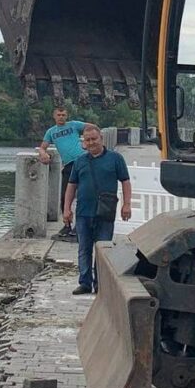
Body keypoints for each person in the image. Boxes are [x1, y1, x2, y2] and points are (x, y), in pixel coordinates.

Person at [63, 124, 132, 295]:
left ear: (101, 138)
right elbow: (71, 186)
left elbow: (125, 181)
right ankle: (85, 282)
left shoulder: (116, 159)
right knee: (84, 249)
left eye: (94, 139)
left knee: (103, 249)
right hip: (83, 212)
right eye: (88, 140)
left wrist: (126, 204)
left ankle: (100, 283)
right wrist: (66, 209)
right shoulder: (79, 161)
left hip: (105, 213)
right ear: (83, 143)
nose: (91, 142)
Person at [38, 106, 86, 238]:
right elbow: (42, 147)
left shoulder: (74, 125)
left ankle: (79, 228)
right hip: (69, 166)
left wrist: (88, 142)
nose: (61, 117)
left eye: (63, 115)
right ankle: (67, 226)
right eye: (59, 115)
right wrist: (43, 154)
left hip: (83, 163)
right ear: (54, 116)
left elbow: (94, 129)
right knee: (65, 197)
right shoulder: (51, 132)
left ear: (67, 116)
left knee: (83, 196)